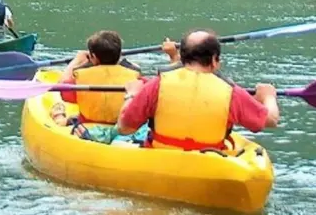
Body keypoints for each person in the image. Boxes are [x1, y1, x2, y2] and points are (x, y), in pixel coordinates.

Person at [116, 30, 280, 150]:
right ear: (215, 60)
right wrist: (268, 96)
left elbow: (124, 128)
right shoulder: (231, 92)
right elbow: (271, 120)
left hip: (162, 160)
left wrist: (132, 94)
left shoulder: (157, 84)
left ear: (182, 57)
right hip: (209, 161)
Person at [49, 31, 173, 143]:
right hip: (123, 128)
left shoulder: (80, 78)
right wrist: (173, 56)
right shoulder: (135, 78)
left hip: (89, 127)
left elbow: (61, 88)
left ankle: (59, 117)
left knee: (67, 119)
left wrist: (76, 61)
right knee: (74, 117)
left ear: (93, 57)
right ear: (119, 55)